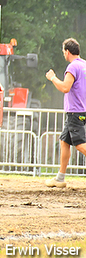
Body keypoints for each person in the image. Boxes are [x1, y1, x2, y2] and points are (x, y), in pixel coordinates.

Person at [44, 38, 86, 188]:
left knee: (80, 144)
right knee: (64, 141)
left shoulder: (73, 67)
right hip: (82, 110)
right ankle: (60, 178)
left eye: (63, 52)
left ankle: (60, 178)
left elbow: (65, 88)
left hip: (74, 111)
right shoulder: (84, 65)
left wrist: (53, 77)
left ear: (67, 52)